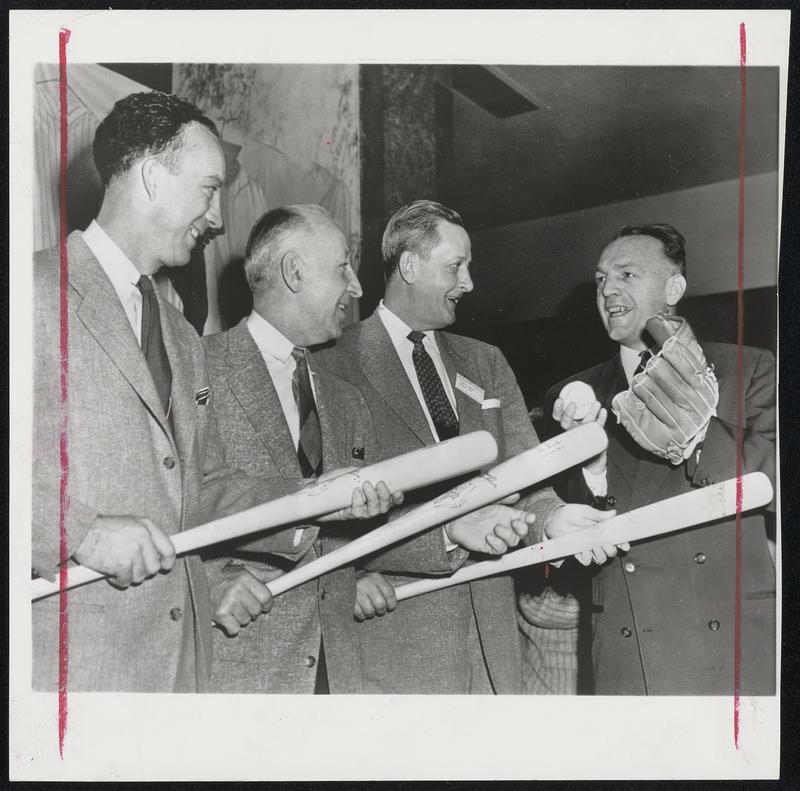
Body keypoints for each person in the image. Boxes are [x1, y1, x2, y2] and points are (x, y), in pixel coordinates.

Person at [31, 92, 389, 693]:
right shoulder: (31, 291)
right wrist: (80, 531)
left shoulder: (179, 334)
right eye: (208, 189)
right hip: (71, 672)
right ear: (150, 176)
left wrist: (311, 497)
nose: (220, 218)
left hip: (181, 670)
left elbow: (199, 487)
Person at [315, 199, 619, 694]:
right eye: (456, 266)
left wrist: (554, 519)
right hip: (395, 644)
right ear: (410, 266)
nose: (470, 283)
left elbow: (527, 475)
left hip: (493, 641)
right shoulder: (333, 362)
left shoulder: (486, 362)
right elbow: (325, 508)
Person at [544, 223, 776, 695]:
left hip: (729, 642)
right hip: (629, 648)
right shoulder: (572, 397)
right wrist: (590, 466)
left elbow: (776, 484)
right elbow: (567, 543)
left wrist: (697, 442)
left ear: (674, 287)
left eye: (627, 274)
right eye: (600, 279)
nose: (608, 289)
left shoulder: (750, 368)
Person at [202, 205, 403, 693]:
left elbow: (347, 536)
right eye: (342, 268)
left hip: (339, 675)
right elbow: (167, 499)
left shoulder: (346, 397)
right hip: (242, 672)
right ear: (294, 271)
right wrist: (212, 585)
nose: (356, 288)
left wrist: (357, 570)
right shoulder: (198, 369)